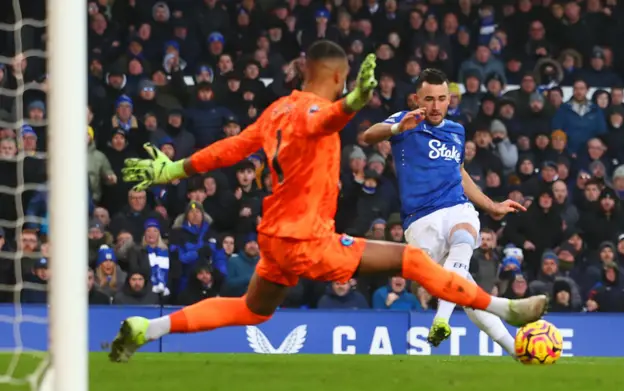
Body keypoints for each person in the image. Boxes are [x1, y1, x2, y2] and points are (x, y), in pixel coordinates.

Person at [108, 41, 546, 362]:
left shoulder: (277, 110)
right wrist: (356, 101)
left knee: (251, 310)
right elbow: (329, 119)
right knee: (412, 261)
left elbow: (231, 149)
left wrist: (174, 169)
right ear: (337, 77)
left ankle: (150, 328)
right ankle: (505, 308)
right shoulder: (316, 112)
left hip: (274, 238)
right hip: (309, 238)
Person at [363, 68, 525, 356]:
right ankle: (514, 349)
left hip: (455, 206)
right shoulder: (406, 121)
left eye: (442, 99)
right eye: (429, 99)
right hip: (420, 220)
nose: (436, 106)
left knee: (464, 233)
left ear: (450, 99)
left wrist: (491, 205)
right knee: (467, 291)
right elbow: (367, 136)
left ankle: (442, 319)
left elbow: (459, 171)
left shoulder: (456, 130)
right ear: (417, 99)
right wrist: (397, 128)